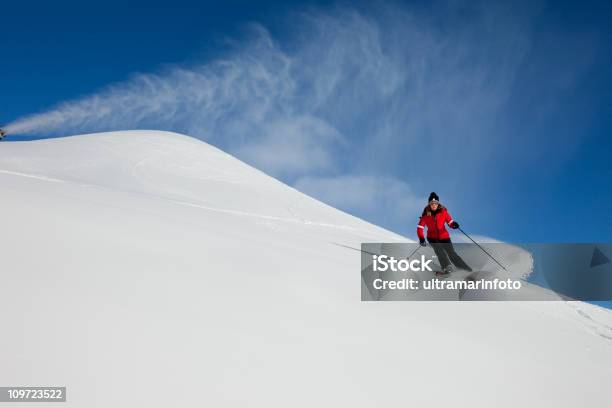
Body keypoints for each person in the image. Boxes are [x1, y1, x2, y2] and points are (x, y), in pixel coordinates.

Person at [417, 192, 471, 276]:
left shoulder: (443, 211)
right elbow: (420, 227)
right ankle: (447, 267)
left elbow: (450, 221)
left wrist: (453, 224)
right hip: (432, 237)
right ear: (429, 204)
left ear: (438, 203)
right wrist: (421, 238)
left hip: (444, 236)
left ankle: (465, 268)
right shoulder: (425, 215)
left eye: (435, 203)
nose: (434, 205)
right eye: (432, 203)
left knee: (452, 253)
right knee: (440, 251)